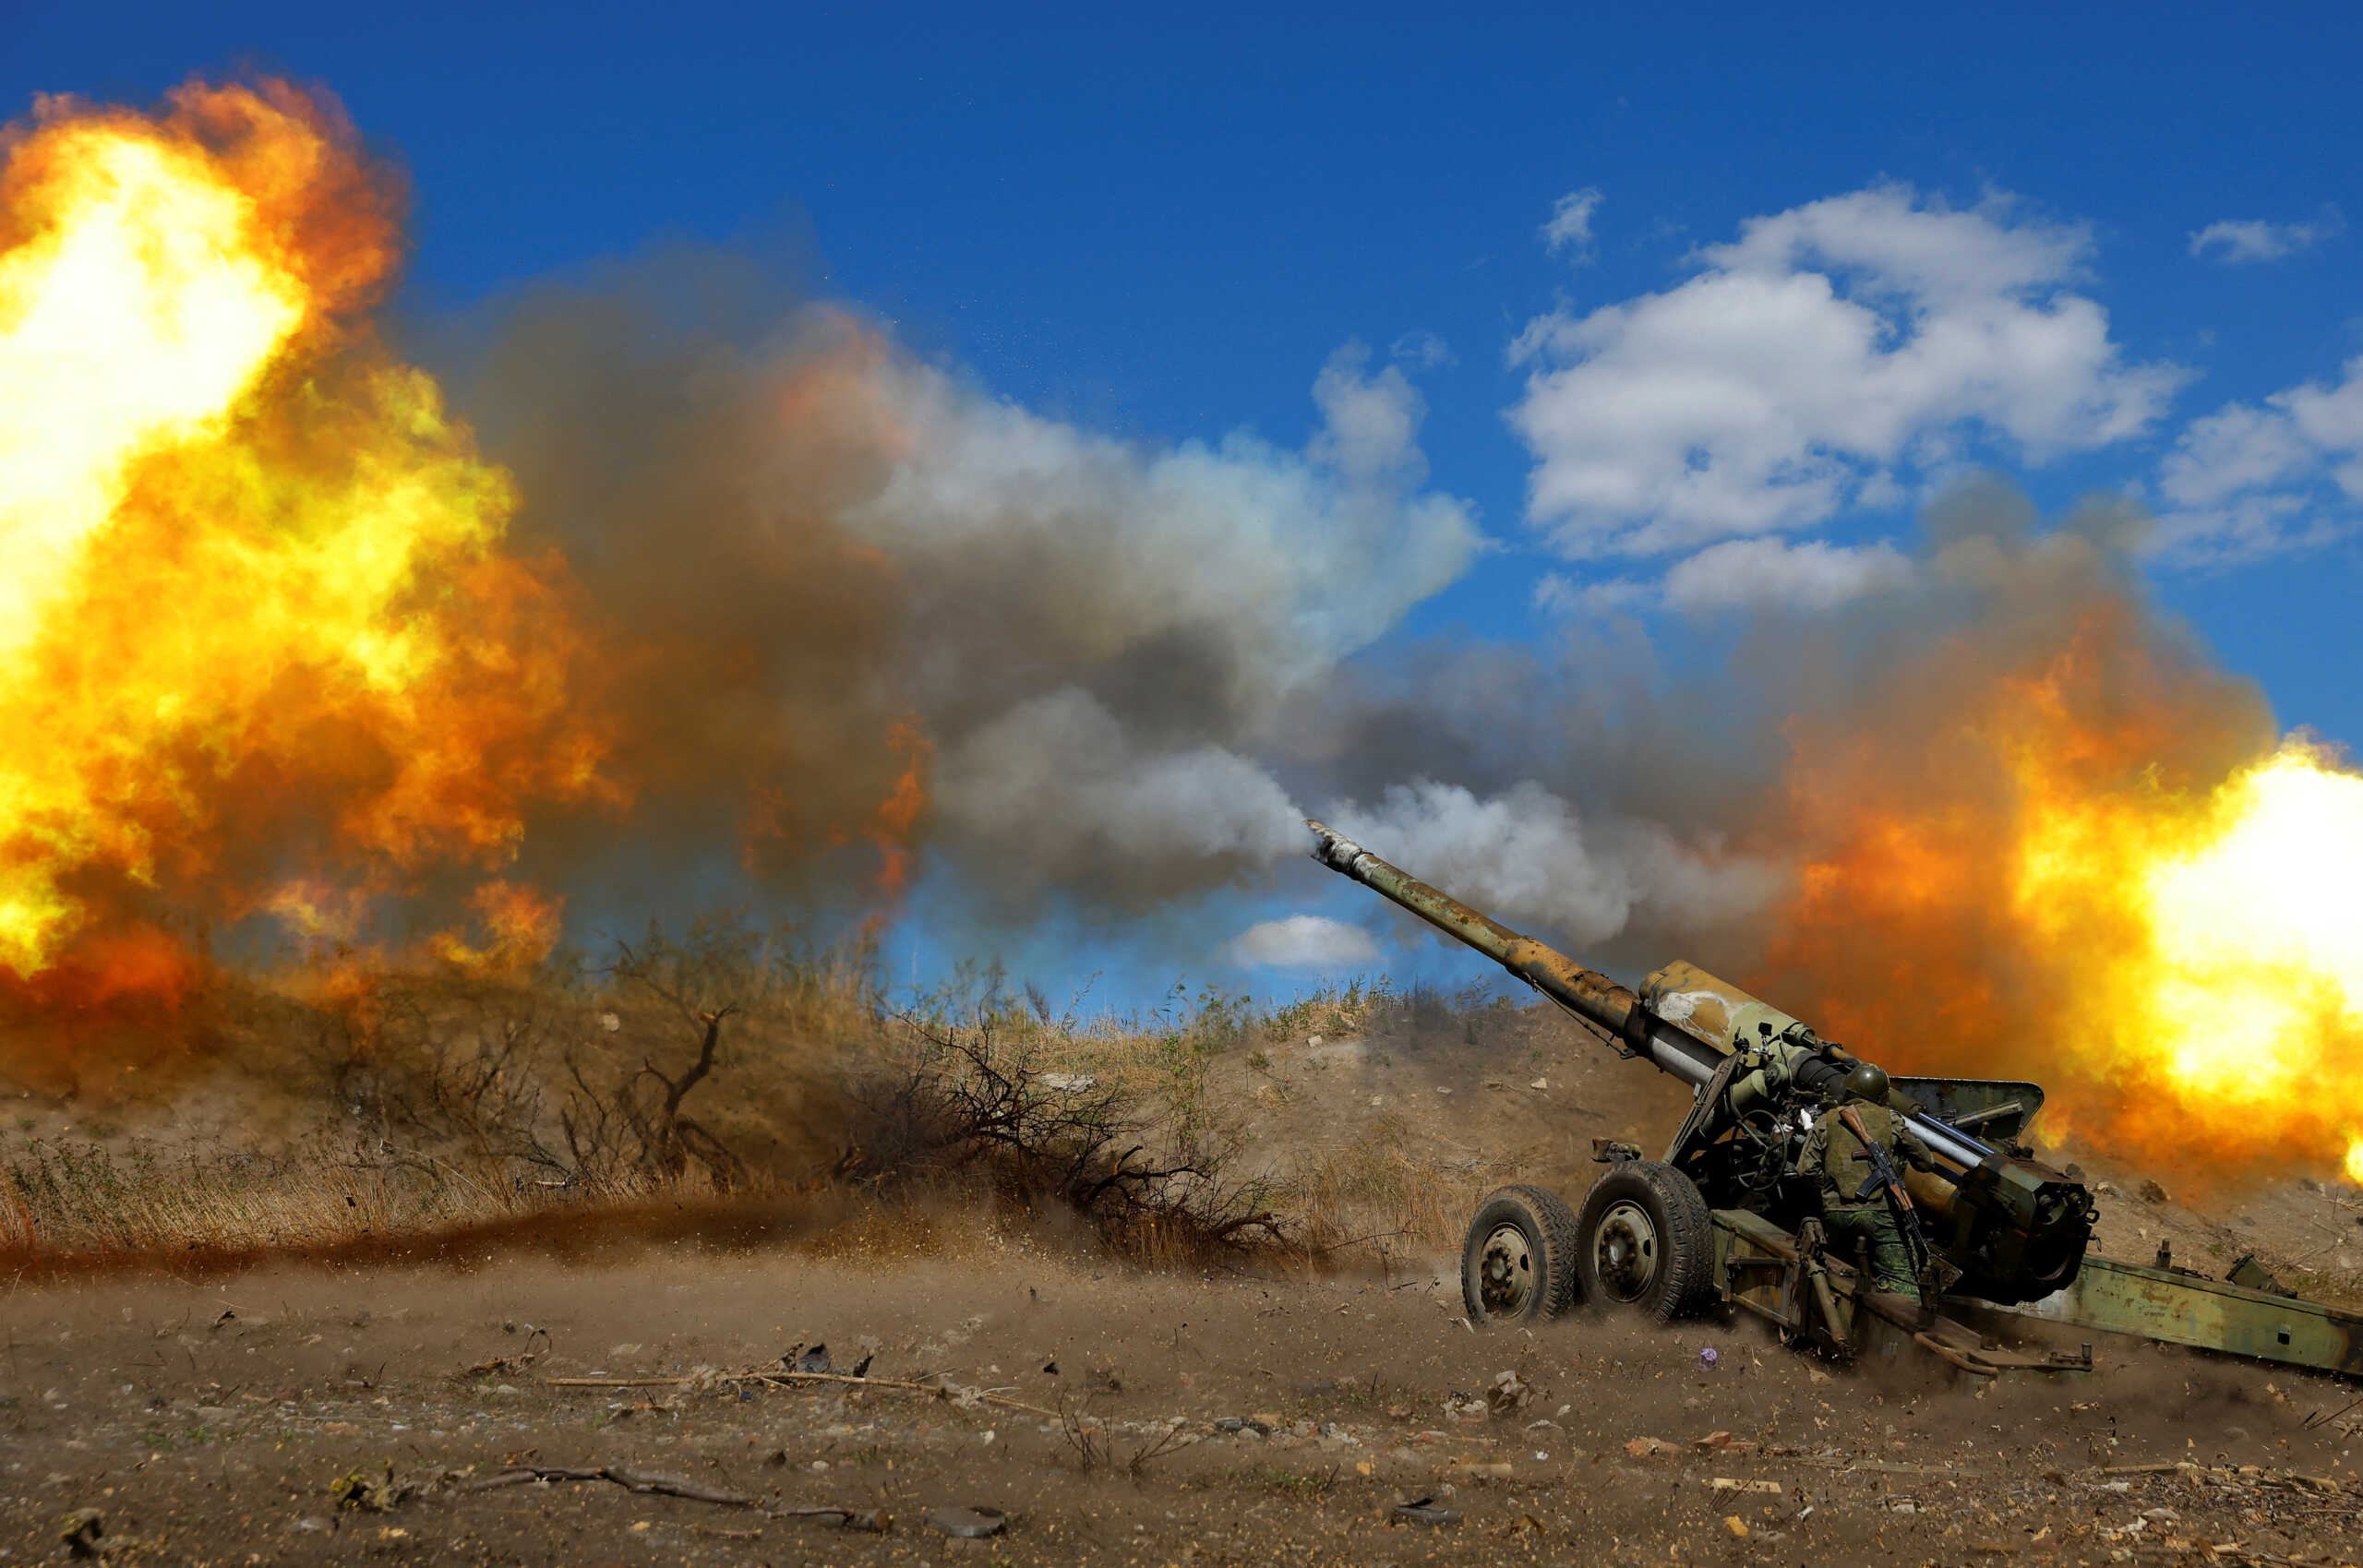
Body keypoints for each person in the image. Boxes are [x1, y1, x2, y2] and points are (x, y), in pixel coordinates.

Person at [1798, 1063, 1937, 1301]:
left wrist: (1832, 1187)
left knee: (1832, 1268)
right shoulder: (1892, 1120)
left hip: (1834, 1215)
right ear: (1881, 1095)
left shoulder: (1827, 1119)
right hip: (1880, 1216)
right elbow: (1926, 1162)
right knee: (1905, 1287)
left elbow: (1806, 1169)